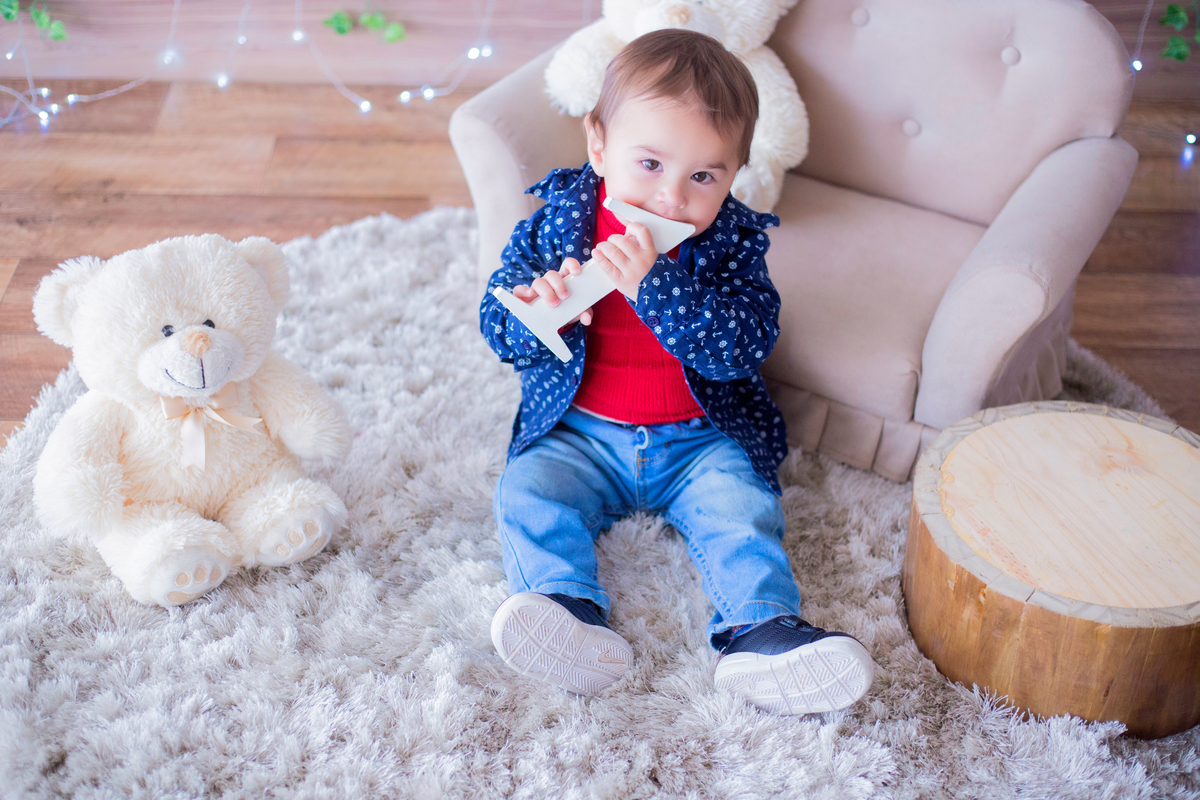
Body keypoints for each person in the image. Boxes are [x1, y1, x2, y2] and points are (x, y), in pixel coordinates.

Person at [478, 28, 874, 715]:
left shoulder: (728, 244)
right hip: (583, 434)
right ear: (598, 145)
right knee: (528, 491)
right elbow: (498, 326)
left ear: (734, 174)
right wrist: (540, 314)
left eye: (703, 176)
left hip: (699, 441)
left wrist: (656, 287)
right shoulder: (560, 225)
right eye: (650, 164)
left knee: (742, 514)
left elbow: (744, 345)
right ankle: (563, 606)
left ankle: (761, 631)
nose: (670, 199)